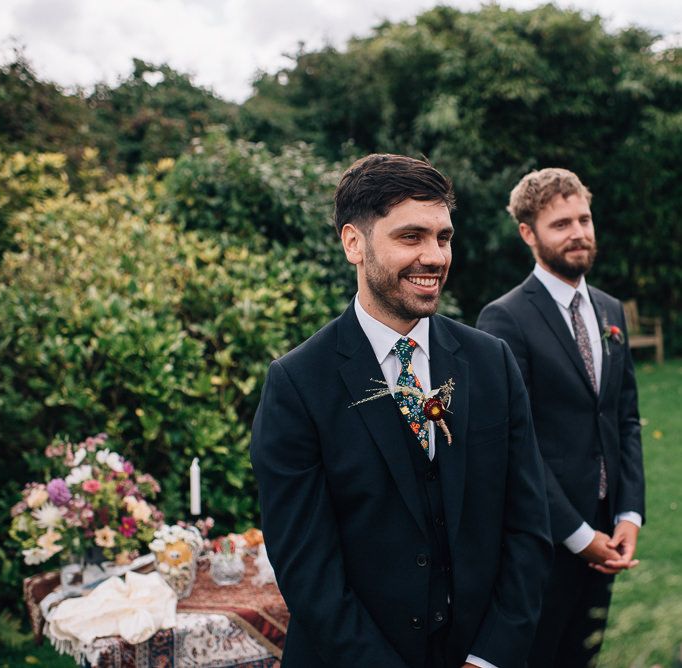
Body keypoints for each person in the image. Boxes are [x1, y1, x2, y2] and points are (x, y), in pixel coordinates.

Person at [250, 154, 552, 668]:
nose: (434, 257)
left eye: (443, 237)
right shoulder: (297, 385)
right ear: (354, 243)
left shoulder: (490, 362)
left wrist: (489, 657)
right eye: (410, 237)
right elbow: (307, 572)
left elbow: (528, 528)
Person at [476, 168, 645, 667]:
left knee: (583, 657)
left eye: (584, 219)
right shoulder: (504, 319)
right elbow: (514, 444)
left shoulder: (610, 308)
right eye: (561, 224)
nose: (578, 233)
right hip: (541, 539)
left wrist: (628, 513)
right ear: (528, 234)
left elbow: (625, 417)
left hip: (607, 531)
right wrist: (577, 535)